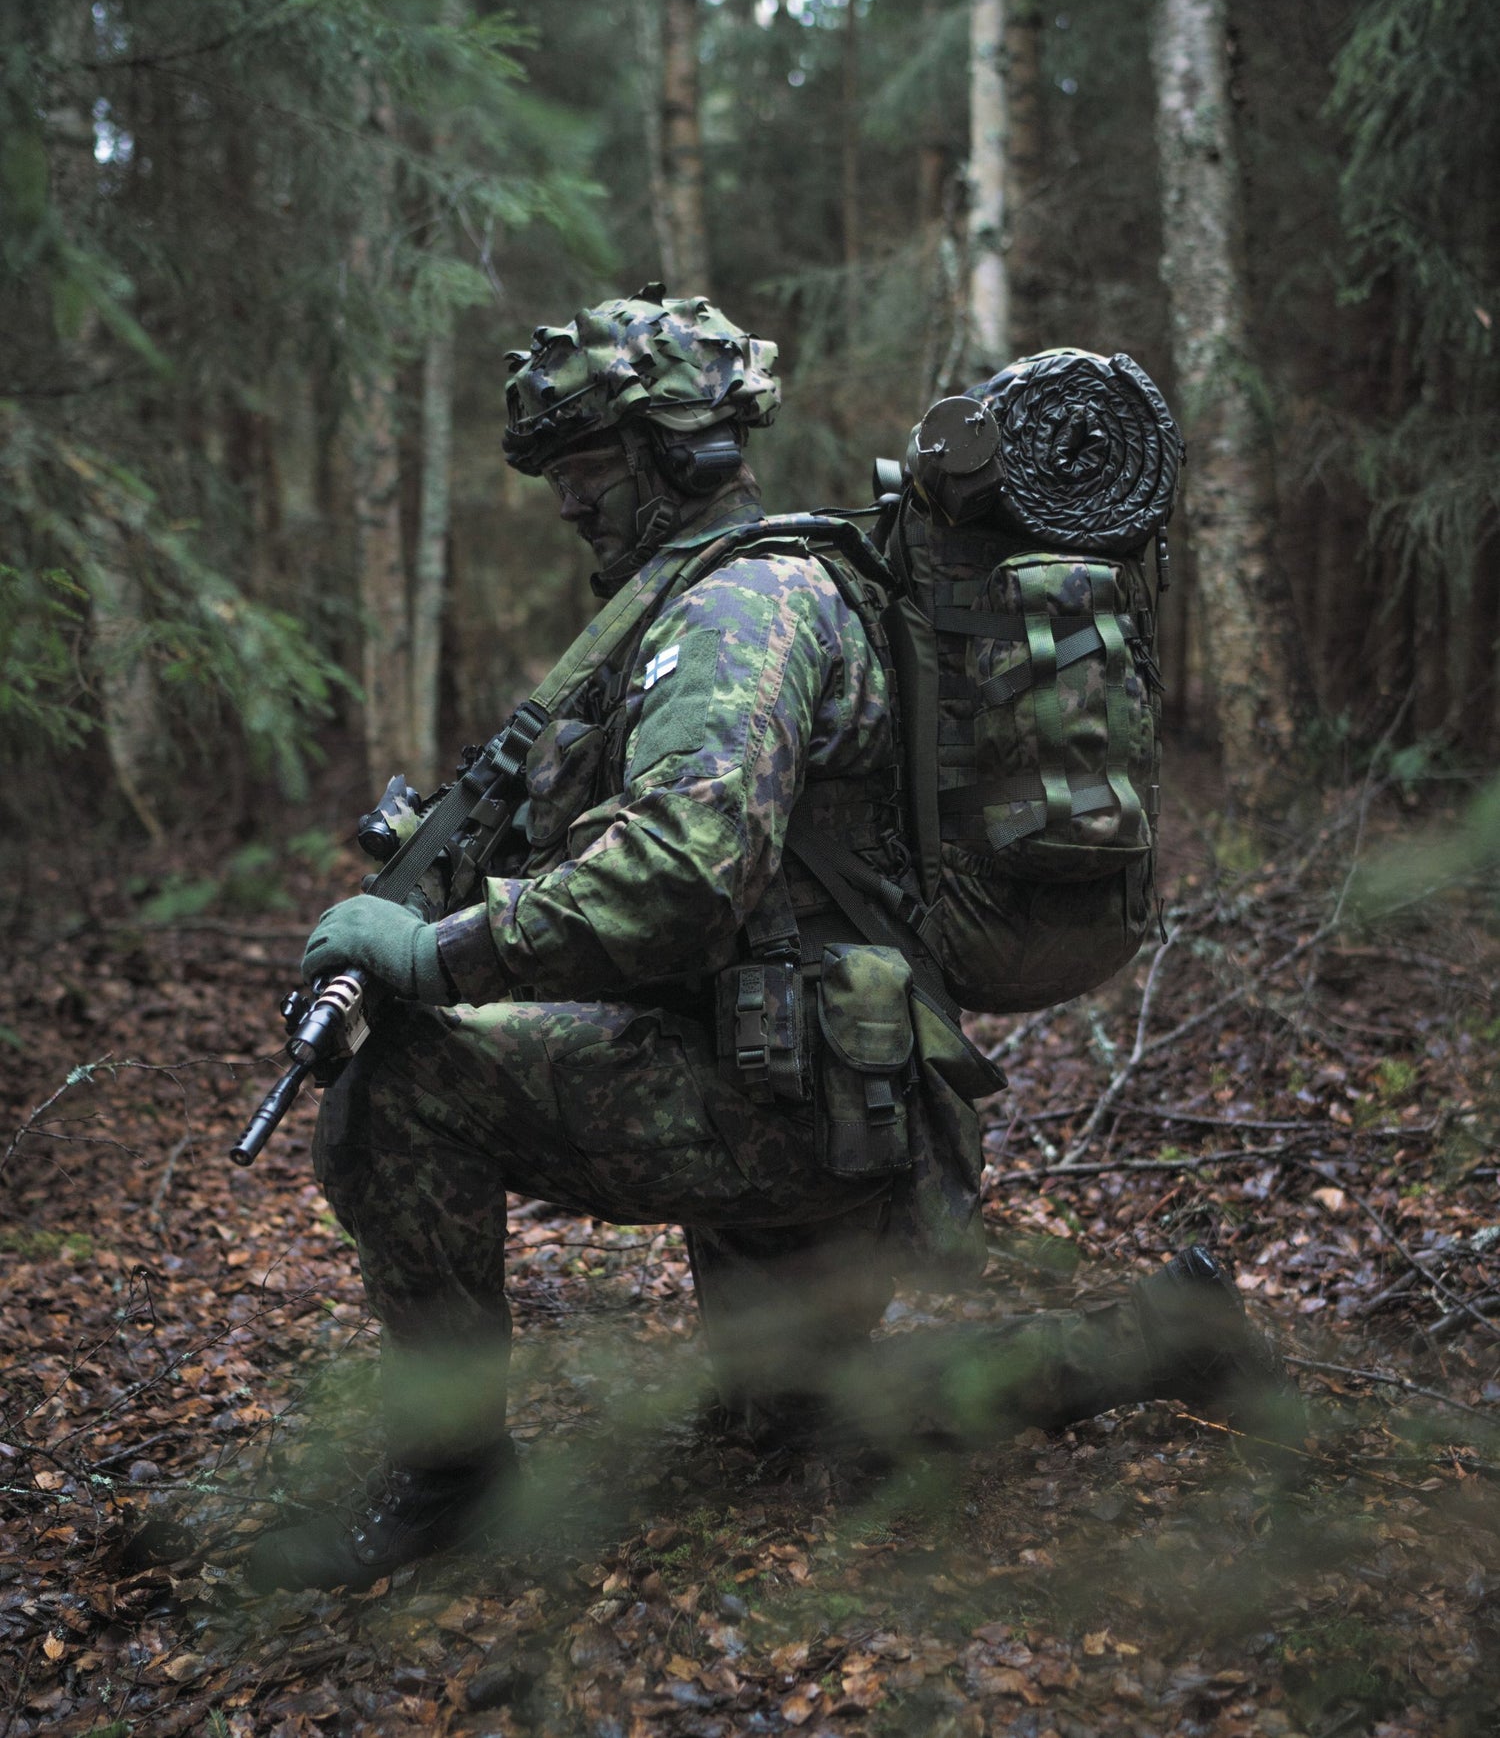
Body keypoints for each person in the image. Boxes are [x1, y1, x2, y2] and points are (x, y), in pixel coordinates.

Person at [245, 291, 1286, 1595]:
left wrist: (435, 957)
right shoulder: (776, 585)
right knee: (799, 1423)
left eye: (588, 466)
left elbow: (681, 874)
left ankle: (451, 1479)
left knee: (399, 1082)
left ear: (674, 452)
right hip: (835, 1087)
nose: (569, 502)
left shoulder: (739, 611)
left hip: (785, 1100)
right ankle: (1160, 1336)